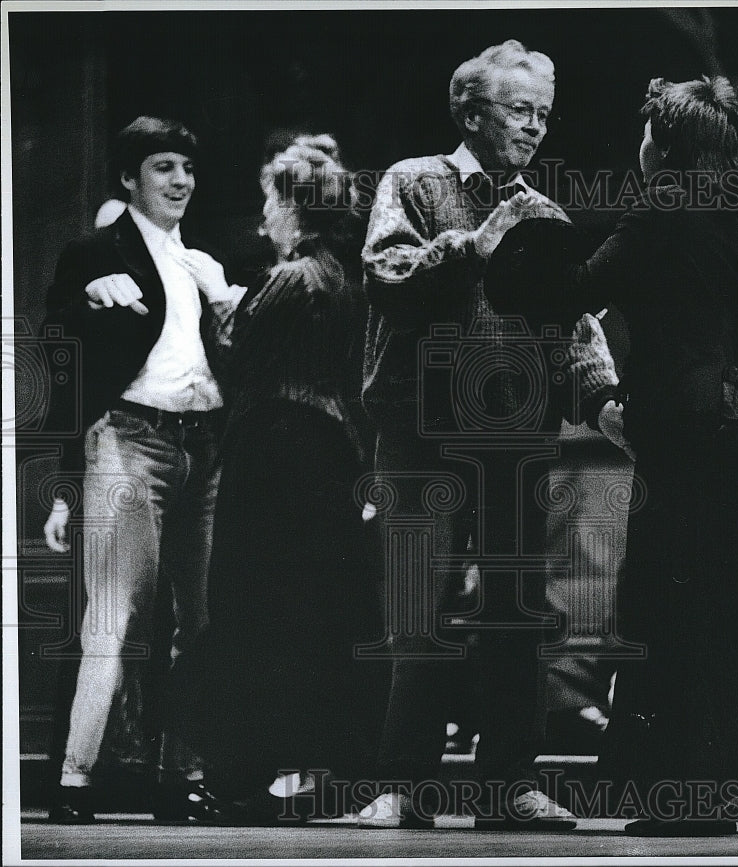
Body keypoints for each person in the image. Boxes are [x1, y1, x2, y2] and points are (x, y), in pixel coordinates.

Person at [484, 75, 738, 837]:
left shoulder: (657, 215)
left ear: (663, 146)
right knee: (725, 609)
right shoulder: (733, 226)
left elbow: (573, 291)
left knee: (666, 606)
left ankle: (671, 789)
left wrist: (507, 244)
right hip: (734, 425)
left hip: (682, 434)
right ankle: (715, 790)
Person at [358, 39, 577, 830]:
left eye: (544, 114)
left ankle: (510, 782)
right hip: (424, 423)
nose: (534, 128)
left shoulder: (544, 211)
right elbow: (386, 274)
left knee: (518, 603)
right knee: (422, 599)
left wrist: (608, 389)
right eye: (519, 110)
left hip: (517, 427)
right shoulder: (414, 182)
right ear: (470, 111)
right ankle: (403, 781)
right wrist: (473, 246)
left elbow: (573, 324)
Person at [168, 135, 387, 824]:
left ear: (292, 206)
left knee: (254, 604)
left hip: (275, 447)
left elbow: (241, 362)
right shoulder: (344, 274)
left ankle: (244, 775)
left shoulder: (293, 277)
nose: (264, 214)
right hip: (329, 451)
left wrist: (216, 297)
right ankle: (309, 772)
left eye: (270, 198)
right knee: (315, 611)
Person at [42, 116, 245, 823]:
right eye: (163, 167)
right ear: (130, 177)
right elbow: (57, 354)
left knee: (201, 618)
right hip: (132, 439)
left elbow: (223, 356)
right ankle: (77, 775)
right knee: (115, 616)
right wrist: (86, 298)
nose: (181, 180)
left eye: (187, 168)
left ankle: (179, 775)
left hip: (205, 445)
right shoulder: (98, 250)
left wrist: (228, 307)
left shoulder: (200, 260)